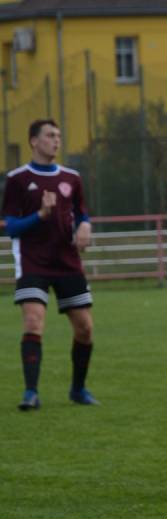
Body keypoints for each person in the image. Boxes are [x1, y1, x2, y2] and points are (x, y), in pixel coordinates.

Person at [2, 118, 97, 410]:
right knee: (33, 320)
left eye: (58, 135)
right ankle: (31, 392)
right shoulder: (18, 179)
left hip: (67, 262)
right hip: (33, 262)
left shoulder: (72, 178)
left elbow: (81, 214)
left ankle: (78, 389)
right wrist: (40, 215)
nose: (56, 140)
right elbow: (11, 227)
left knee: (85, 329)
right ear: (34, 141)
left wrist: (85, 227)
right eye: (49, 135)